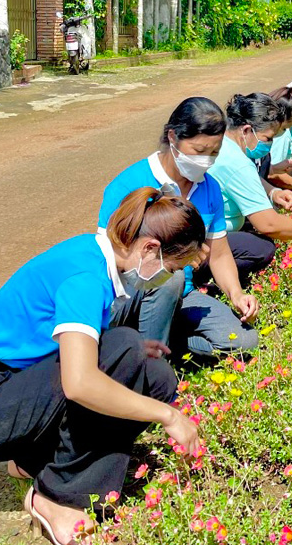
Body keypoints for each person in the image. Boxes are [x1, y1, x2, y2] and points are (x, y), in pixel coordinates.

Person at [0, 188, 205, 545]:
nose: (168, 279)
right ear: (150, 248)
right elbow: (79, 383)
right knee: (123, 353)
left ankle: (31, 460)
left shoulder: (97, 256)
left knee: (155, 374)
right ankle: (58, 497)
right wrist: (168, 416)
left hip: (23, 386)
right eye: (171, 269)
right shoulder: (86, 276)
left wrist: (134, 353)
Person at [98, 97, 260, 360]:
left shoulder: (209, 189)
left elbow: (219, 255)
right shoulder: (129, 184)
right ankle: (148, 364)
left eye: (214, 153)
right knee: (170, 276)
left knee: (244, 342)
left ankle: (161, 342)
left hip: (182, 297)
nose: (206, 160)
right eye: (199, 151)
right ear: (173, 137)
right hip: (131, 296)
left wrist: (236, 294)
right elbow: (106, 259)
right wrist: (170, 259)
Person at [210, 92, 292, 252]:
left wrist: (273, 193)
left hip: (209, 227)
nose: (270, 143)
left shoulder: (224, 142)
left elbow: (247, 179)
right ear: (246, 130)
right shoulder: (237, 162)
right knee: (262, 249)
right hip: (208, 240)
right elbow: (268, 224)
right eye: (268, 138)